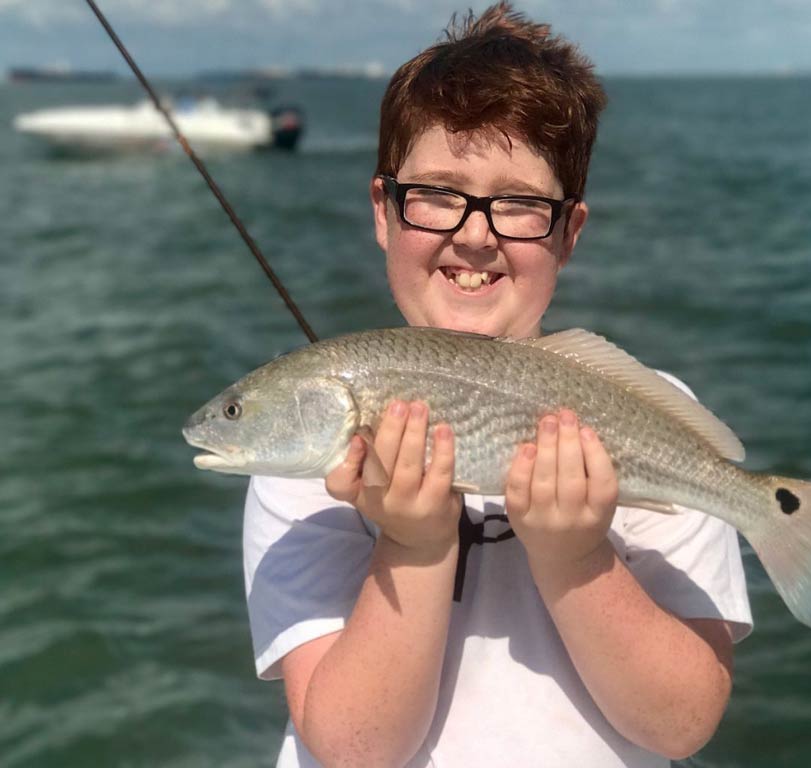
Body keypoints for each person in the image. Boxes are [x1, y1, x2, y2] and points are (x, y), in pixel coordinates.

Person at [243, 3, 752, 766]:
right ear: (384, 210)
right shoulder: (307, 472)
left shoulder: (647, 415)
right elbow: (355, 748)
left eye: (519, 205)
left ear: (568, 233)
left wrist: (579, 554)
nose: (475, 234)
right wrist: (412, 543)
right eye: (437, 193)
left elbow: (681, 724)